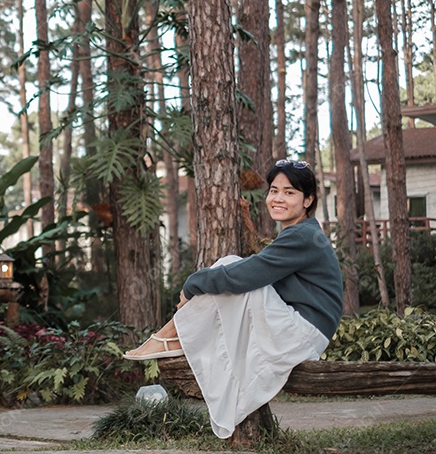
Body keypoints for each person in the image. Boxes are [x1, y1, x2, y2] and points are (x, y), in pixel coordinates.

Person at [123, 159, 344, 438]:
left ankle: (170, 335)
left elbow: (249, 274)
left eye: (290, 193)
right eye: (274, 190)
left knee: (232, 269)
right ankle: (173, 336)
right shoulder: (300, 232)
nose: (278, 198)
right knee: (232, 272)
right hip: (303, 328)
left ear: (308, 200)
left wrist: (193, 284)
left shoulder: (302, 236)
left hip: (304, 333)